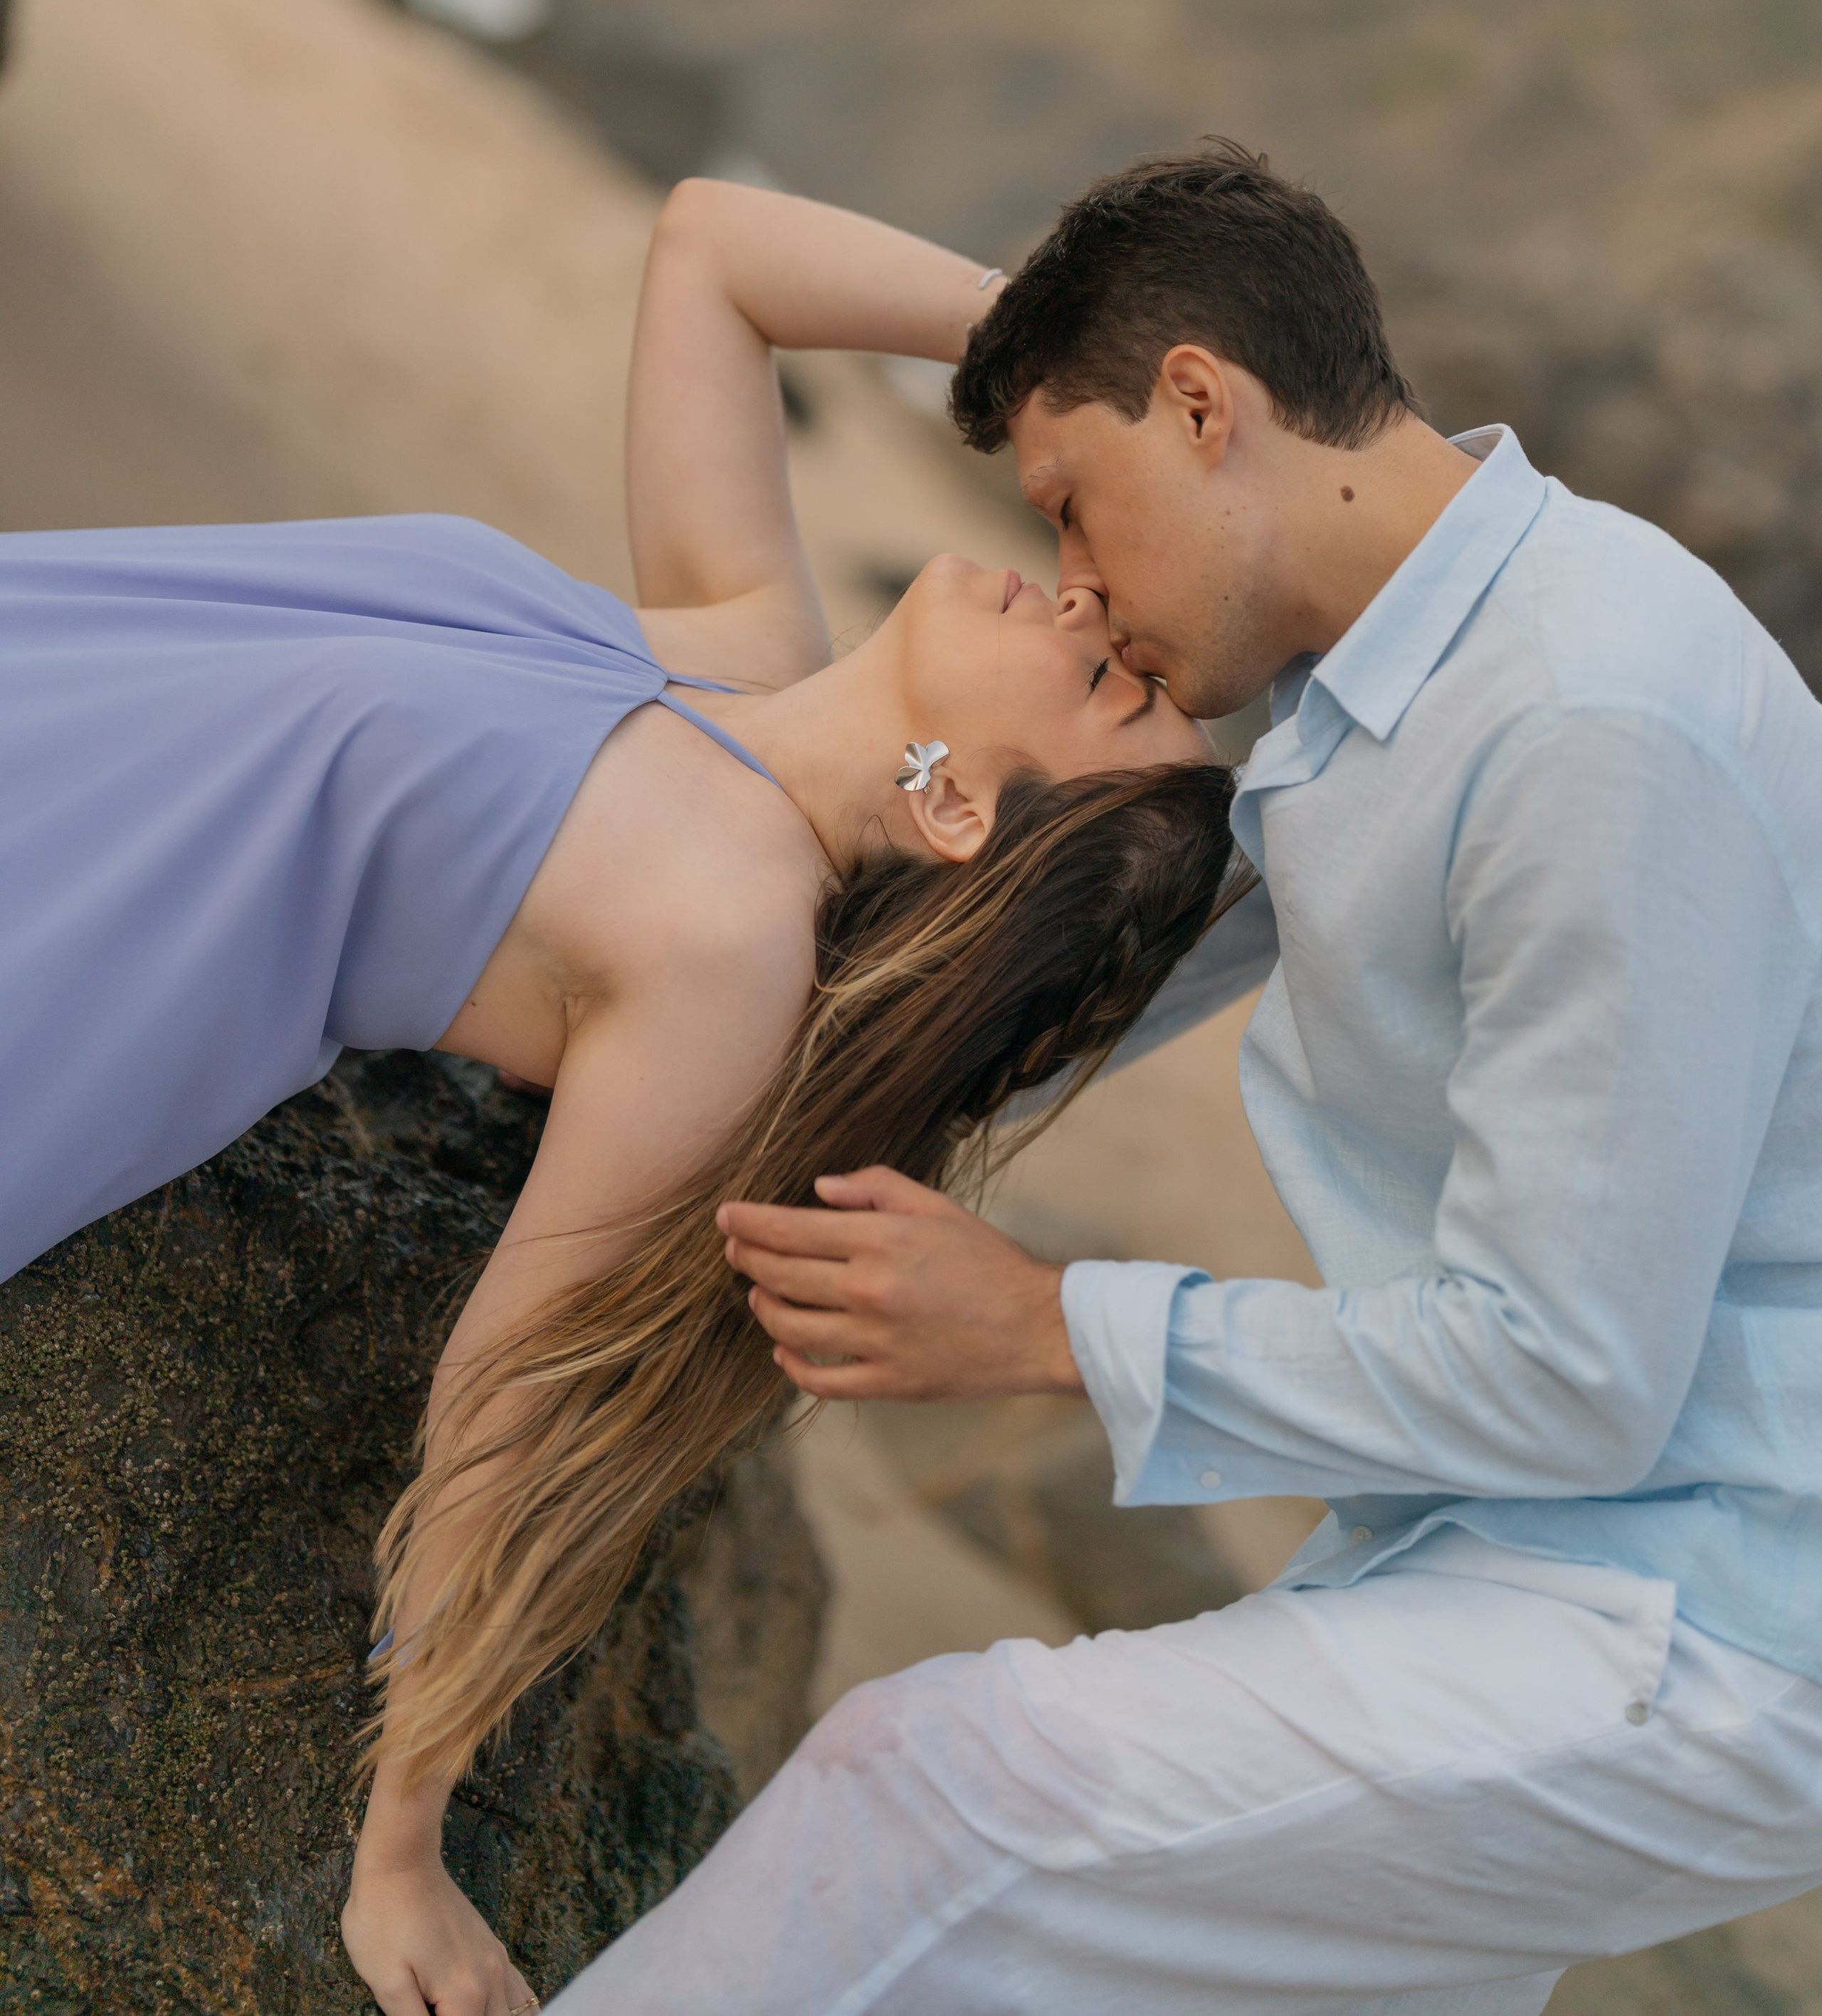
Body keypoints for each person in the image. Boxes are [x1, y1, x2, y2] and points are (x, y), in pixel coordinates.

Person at [554, 142, 1822, 2016]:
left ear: (1206, 405)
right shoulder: (1355, 684)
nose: (1073, 589)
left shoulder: (1583, 726)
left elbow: (1575, 1379)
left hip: (1702, 1610)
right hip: (1496, 1542)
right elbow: (1051, 966)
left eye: (1073, 503)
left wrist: (1052, 1325)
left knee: (944, 1786)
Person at [0, 175, 1244, 2016]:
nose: (1082, 591)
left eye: (1115, 679)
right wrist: (1095, 375)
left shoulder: (724, 944)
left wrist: (401, 1840)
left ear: (969, 812)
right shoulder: (727, 653)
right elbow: (716, 247)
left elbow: (516, 1398)